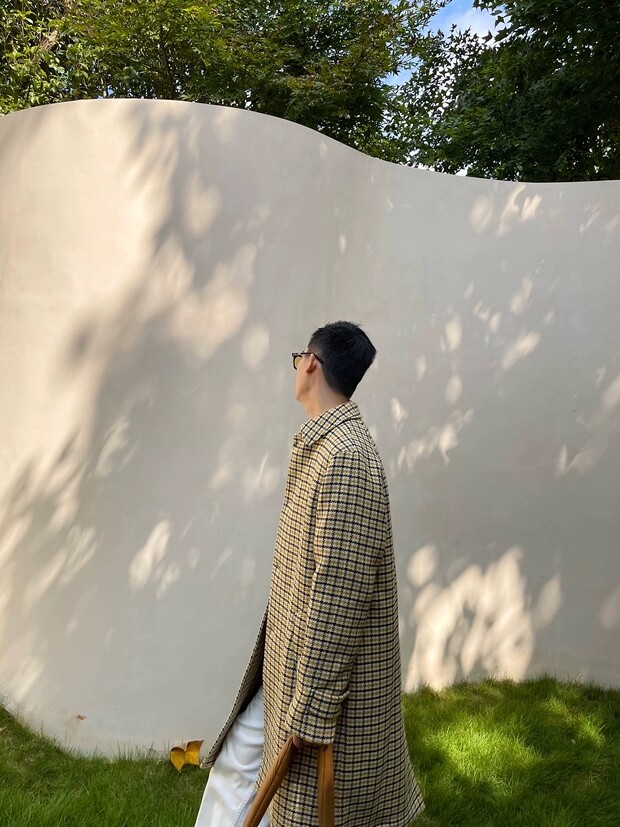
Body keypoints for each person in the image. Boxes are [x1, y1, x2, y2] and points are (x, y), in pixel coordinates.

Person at [195, 321, 424, 827]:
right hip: (287, 669)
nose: (297, 366)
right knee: (237, 770)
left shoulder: (345, 460)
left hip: (315, 686)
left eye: (298, 357)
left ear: (311, 364)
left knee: (281, 799)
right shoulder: (326, 446)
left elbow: (340, 597)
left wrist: (313, 711)